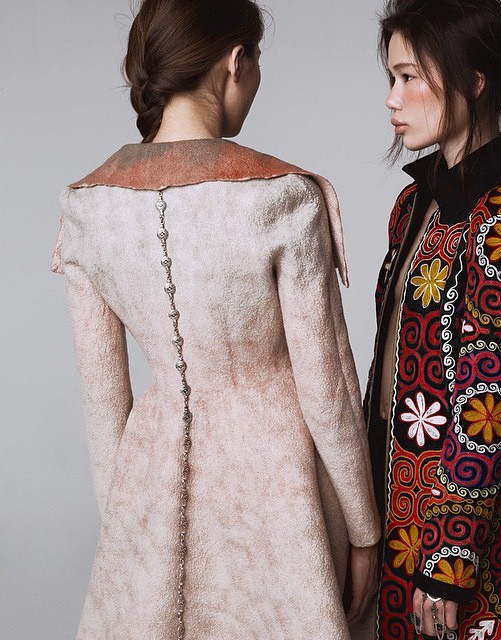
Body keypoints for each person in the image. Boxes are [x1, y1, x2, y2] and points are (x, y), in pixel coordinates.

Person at [51, 0, 380, 638]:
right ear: (234, 62)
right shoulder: (283, 198)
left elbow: (103, 404)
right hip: (278, 491)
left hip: (148, 483)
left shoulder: (86, 209)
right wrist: (365, 531)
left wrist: (131, 534)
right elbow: (328, 388)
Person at [365, 0, 501, 638]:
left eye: (410, 77)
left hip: (466, 535)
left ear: (473, 80)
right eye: (390, 78)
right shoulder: (411, 205)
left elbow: (490, 402)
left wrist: (450, 559)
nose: (392, 99)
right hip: (397, 503)